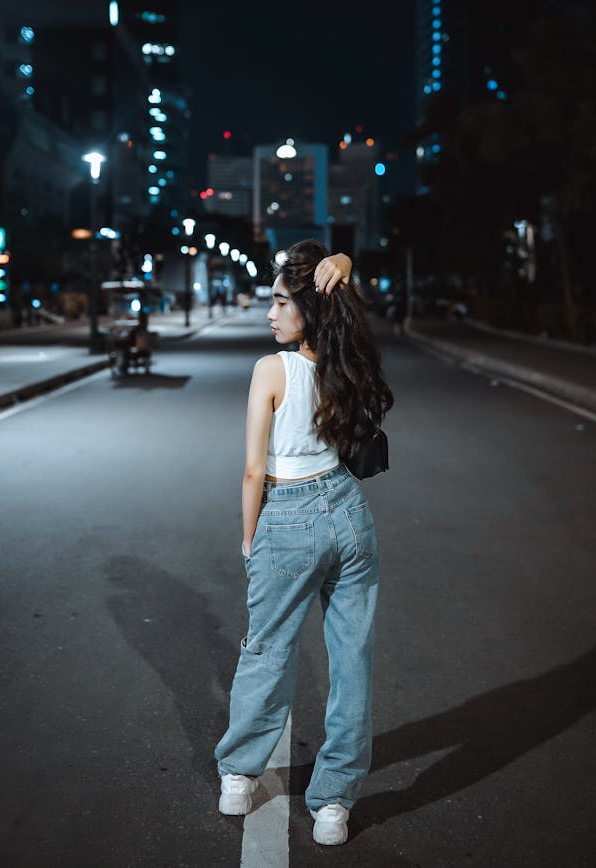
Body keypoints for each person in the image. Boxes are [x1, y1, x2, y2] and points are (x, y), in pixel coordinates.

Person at [215, 241, 394, 846]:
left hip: (287, 516)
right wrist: (342, 263)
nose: (270, 312)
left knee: (266, 649)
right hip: (349, 514)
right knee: (352, 662)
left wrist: (249, 543)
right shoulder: (346, 363)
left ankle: (240, 775)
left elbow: (250, 474)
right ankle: (334, 806)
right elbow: (345, 285)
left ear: (306, 310)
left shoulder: (273, 369)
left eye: (280, 301)